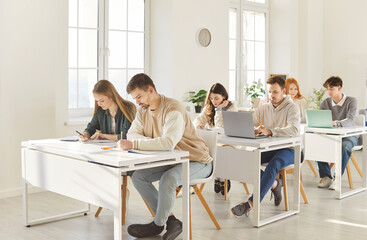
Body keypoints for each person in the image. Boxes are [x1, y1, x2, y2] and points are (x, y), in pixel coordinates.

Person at [117, 73, 213, 240]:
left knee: (168, 179)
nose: (137, 102)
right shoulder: (142, 111)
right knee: (139, 177)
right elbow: (131, 134)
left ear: (151, 90)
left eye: (139, 96)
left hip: (198, 161)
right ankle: (170, 221)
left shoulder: (173, 109)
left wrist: (137, 143)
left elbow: (167, 143)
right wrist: (154, 142)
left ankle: (157, 224)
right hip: (172, 160)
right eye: (134, 98)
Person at [231, 75, 300, 217]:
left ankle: (250, 204)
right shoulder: (264, 107)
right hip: (270, 148)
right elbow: (250, 122)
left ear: (284, 92)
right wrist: (250, 128)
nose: (271, 95)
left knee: (274, 164)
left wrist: (270, 131)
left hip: (291, 149)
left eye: (275, 92)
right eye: (269, 92)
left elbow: (294, 130)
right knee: (246, 159)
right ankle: (274, 184)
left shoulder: (292, 107)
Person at [193, 83, 237, 195]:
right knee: (207, 150)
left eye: (216, 98)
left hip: (228, 143)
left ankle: (221, 178)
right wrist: (198, 125)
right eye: (211, 98)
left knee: (219, 152)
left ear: (224, 96)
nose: (214, 101)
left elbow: (221, 129)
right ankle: (219, 177)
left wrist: (219, 111)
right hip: (214, 142)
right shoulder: (209, 108)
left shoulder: (231, 108)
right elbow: (197, 119)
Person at [317, 76, 358, 190]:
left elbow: (350, 120)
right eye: (327, 89)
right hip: (331, 135)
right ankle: (326, 176)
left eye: (331, 89)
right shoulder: (325, 102)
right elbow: (320, 119)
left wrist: (337, 123)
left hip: (349, 136)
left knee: (344, 146)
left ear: (339, 88)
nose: (328, 91)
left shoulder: (351, 101)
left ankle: (337, 178)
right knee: (316, 142)